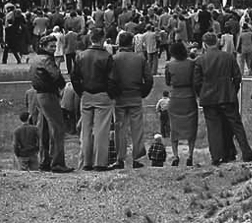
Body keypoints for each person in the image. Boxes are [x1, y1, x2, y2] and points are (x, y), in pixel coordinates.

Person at [193, 31, 252, 164]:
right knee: (236, 125)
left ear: (204, 44)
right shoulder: (228, 57)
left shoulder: (200, 60)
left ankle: (216, 156)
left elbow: (197, 82)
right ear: (217, 42)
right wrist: (233, 90)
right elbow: (237, 77)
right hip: (227, 94)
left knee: (213, 127)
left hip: (209, 97)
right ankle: (246, 152)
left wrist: (201, 94)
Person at [71, 37, 115, 170]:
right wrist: (111, 93)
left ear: (91, 39)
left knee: (86, 130)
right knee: (101, 130)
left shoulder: (81, 56)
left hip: (86, 94)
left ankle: (86, 162)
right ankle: (100, 163)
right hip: (102, 94)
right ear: (102, 40)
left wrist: (81, 91)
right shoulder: (107, 56)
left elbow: (74, 76)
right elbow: (112, 78)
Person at [109, 34, 152, 169]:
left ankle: (120, 158)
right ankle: (137, 157)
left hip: (120, 97)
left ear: (119, 43)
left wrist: (114, 94)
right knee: (137, 128)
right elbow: (149, 79)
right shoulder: (140, 58)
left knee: (119, 128)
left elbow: (109, 79)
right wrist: (143, 92)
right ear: (132, 43)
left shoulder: (114, 59)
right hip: (135, 96)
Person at [28, 40, 71, 172]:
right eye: (51, 46)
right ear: (44, 46)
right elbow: (56, 75)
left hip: (38, 95)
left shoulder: (35, 58)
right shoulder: (47, 59)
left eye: (54, 46)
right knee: (58, 128)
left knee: (44, 128)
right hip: (48, 94)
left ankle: (45, 160)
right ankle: (58, 162)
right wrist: (62, 85)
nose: (53, 48)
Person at [161, 42, 199, 166]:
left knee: (174, 127)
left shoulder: (169, 65)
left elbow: (167, 82)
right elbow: (195, 80)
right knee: (191, 127)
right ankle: (190, 155)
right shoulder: (191, 64)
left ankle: (176, 155)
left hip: (175, 96)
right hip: (189, 96)